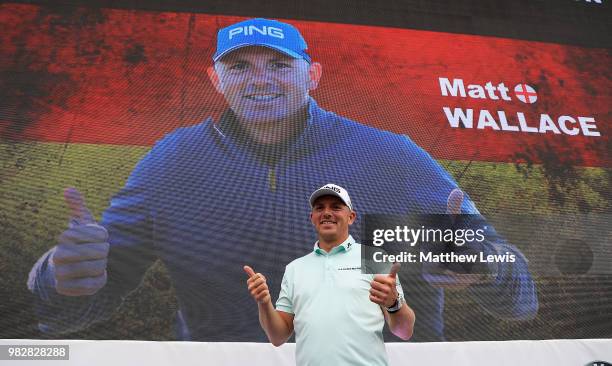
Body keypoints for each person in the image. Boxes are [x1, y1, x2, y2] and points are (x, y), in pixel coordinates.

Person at [28, 17, 537, 342]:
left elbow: (520, 299)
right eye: (239, 67)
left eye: (279, 64)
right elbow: (77, 311)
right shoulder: (173, 161)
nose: (260, 80)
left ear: (312, 75)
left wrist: (486, 268)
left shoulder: (389, 156)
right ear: (215, 79)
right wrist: (56, 278)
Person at [244, 184, 415, 366]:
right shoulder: (295, 268)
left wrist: (394, 304)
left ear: (351, 217)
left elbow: (404, 332)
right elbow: (278, 337)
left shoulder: (374, 258)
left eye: (335, 207)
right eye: (320, 208)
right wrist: (264, 303)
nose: (326, 213)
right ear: (312, 218)